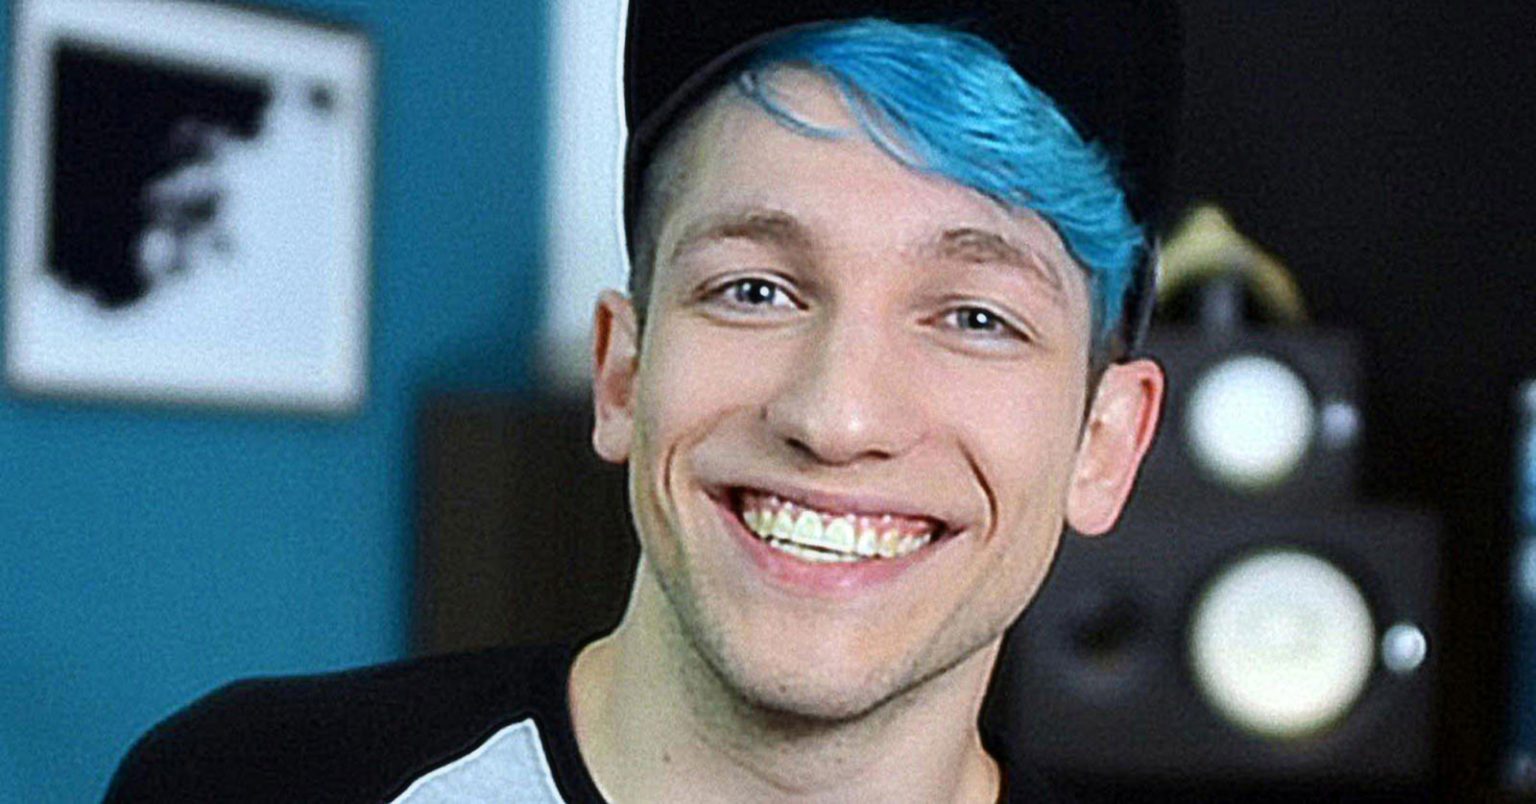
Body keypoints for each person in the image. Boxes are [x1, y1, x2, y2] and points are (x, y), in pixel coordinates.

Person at [105, 1, 1181, 801]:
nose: (837, 418)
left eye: (975, 317)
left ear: (1104, 443)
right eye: (754, 291)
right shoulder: (245, 781)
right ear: (622, 370)